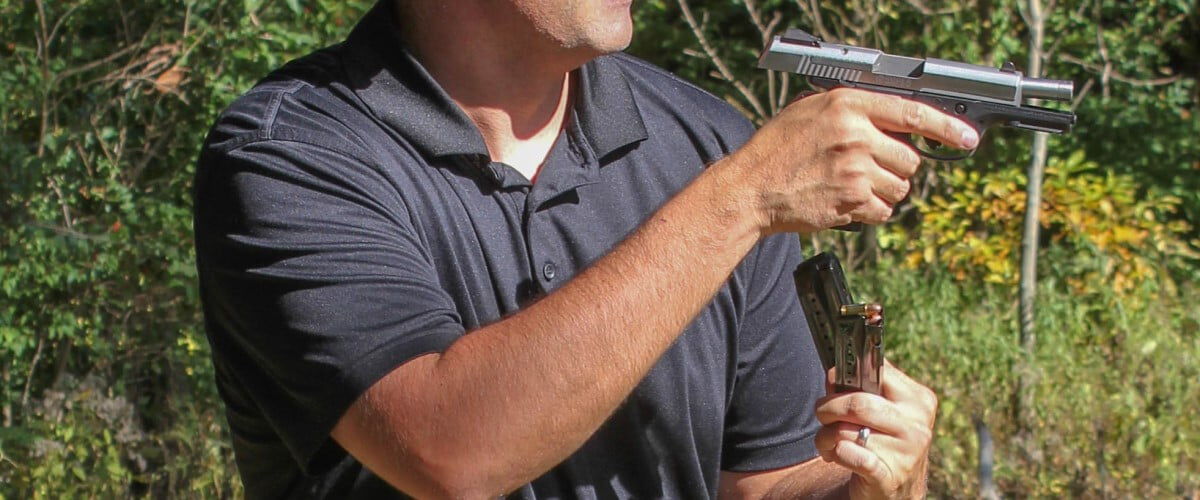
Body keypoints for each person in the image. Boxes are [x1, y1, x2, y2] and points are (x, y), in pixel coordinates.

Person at [193, 0, 976, 498]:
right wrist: (744, 199)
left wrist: (871, 485)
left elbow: (763, 481)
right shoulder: (288, 154)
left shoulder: (711, 145)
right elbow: (448, 452)